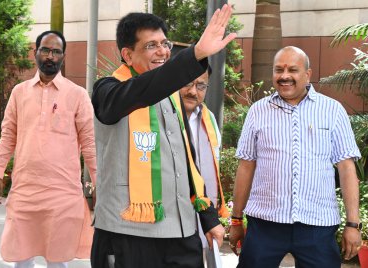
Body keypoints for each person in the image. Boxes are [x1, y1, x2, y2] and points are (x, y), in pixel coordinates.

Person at [91, 5, 236, 268]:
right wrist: (197, 54)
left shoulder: (173, 96)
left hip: (180, 233)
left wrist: (209, 218)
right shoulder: (108, 91)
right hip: (128, 234)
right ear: (127, 54)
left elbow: (187, 162)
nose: (162, 51)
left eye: (165, 43)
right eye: (151, 46)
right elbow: (143, 90)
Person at [228, 46, 362, 268]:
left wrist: (353, 224)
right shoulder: (258, 111)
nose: (284, 76)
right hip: (265, 224)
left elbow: (347, 168)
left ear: (307, 74)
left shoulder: (332, 111)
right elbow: (246, 166)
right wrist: (235, 220)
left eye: (292, 69)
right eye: (278, 70)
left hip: (317, 225)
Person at [0, 31, 97, 268]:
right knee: (21, 254)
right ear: (35, 53)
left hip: (62, 193)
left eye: (56, 51)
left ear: (63, 57)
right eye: (45, 50)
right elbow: (7, 136)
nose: (50, 56)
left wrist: (98, 182)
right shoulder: (19, 92)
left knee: (57, 259)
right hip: (25, 190)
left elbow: (89, 143)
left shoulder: (77, 95)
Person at [179, 69, 229, 267]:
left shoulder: (209, 119)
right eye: (187, 84)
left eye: (201, 86)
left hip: (204, 218)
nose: (193, 92)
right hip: (172, 221)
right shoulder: (162, 116)